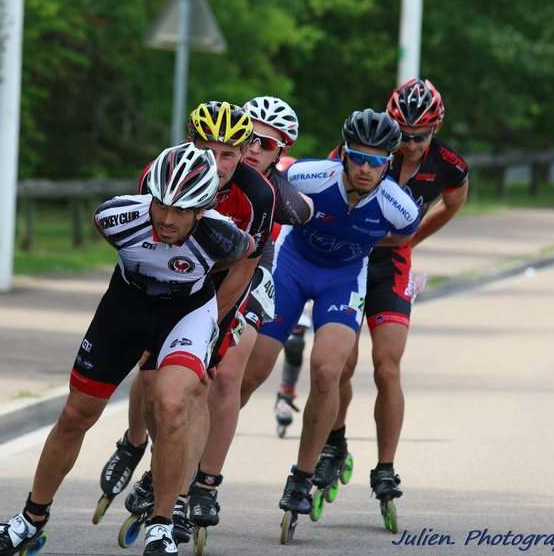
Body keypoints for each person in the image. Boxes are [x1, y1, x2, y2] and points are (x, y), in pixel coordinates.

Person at [0, 142, 256, 556]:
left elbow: (248, 258)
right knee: (76, 414)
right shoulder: (117, 216)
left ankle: (162, 524)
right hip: (125, 305)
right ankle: (31, 519)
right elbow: (118, 231)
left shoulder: (224, 237)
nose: (165, 218)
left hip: (186, 312)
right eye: (161, 205)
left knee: (172, 403)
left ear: (203, 210)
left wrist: (217, 316)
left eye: (181, 211)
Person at [97, 101, 276, 545]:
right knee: (153, 377)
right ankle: (138, 444)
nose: (216, 165)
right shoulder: (162, 172)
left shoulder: (258, 195)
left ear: (244, 153)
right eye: (207, 150)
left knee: (200, 385)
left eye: (229, 155)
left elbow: (242, 269)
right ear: (189, 144)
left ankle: (179, 494)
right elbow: (141, 242)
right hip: (169, 278)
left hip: (225, 282)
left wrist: (208, 324)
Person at [238, 109, 420, 521]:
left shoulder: (400, 208)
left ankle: (302, 477)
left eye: (376, 161)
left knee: (326, 370)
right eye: (358, 157)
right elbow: (264, 176)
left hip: (343, 279)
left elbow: (401, 236)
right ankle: (201, 467)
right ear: (344, 155)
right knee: (251, 371)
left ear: (388, 163)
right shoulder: (307, 175)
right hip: (291, 268)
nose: (365, 168)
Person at [318, 78, 469, 504]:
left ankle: (385, 467)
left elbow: (454, 204)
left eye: (420, 136)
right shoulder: (367, 150)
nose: (410, 143)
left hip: (392, 266)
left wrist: (411, 239)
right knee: (341, 365)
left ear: (435, 130)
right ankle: (334, 440)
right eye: (403, 133)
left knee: (387, 367)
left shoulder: (449, 165)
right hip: (350, 260)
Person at [188, 96, 314, 529]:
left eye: (264, 143)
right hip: (196, 267)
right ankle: (137, 448)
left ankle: (205, 484)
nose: (253, 149)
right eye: (248, 139)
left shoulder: (271, 189)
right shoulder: (205, 167)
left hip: (252, 271)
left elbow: (308, 209)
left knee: (226, 376)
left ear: (279, 151)